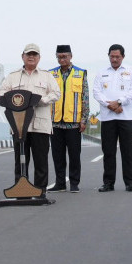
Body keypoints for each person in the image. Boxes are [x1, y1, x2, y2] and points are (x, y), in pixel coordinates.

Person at [0, 43, 60, 192]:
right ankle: (20, 190)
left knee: (41, 161)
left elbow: (56, 94)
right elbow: (1, 93)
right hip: (19, 125)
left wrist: (41, 100)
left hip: (40, 125)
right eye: (28, 54)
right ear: (22, 56)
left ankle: (40, 190)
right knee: (21, 160)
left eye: (34, 55)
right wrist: (12, 100)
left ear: (39, 58)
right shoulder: (13, 76)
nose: (31, 57)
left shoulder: (47, 76)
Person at [93, 44, 132, 192]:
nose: (114, 59)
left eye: (117, 57)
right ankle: (108, 183)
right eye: (112, 56)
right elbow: (96, 92)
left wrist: (119, 102)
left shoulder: (131, 71)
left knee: (128, 151)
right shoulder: (101, 72)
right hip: (107, 118)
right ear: (108, 56)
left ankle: (130, 183)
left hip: (126, 117)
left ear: (123, 57)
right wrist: (111, 105)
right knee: (108, 151)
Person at [48, 45, 89, 193]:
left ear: (71, 56)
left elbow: (85, 97)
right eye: (59, 57)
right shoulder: (50, 74)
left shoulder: (80, 73)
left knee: (74, 155)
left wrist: (84, 119)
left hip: (73, 122)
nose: (62, 59)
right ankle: (60, 183)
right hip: (55, 122)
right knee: (57, 155)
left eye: (65, 56)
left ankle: (74, 183)